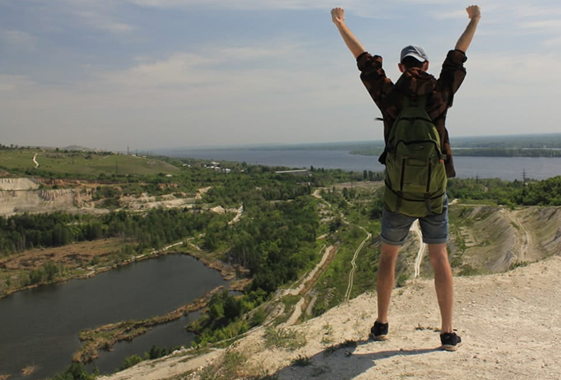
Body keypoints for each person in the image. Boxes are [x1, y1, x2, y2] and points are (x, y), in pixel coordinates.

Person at [331, 5, 481, 351]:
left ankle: (382, 325)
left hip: (397, 194)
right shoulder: (440, 93)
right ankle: (447, 332)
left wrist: (341, 24)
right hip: (433, 193)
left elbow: (364, 59)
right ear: (425, 66)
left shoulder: (389, 95)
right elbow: (458, 57)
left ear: (401, 67)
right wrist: (473, 21)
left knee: (388, 256)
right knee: (439, 257)